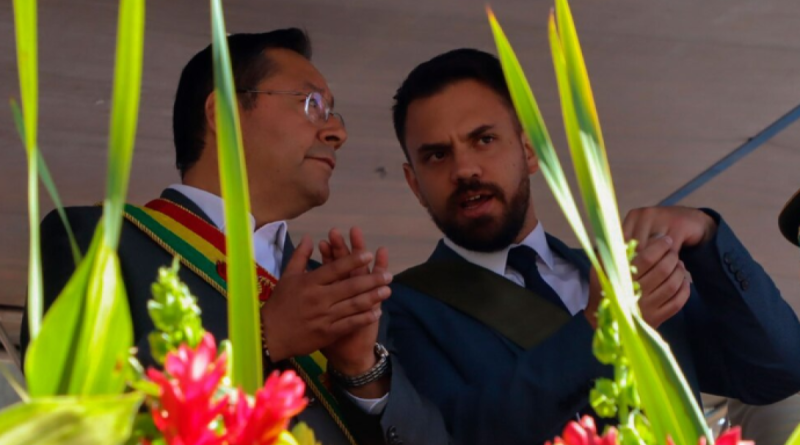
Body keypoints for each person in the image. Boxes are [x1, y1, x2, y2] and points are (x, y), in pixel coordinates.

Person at [20, 29, 446, 445]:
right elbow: (69, 422)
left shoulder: (341, 297)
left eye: (332, 112)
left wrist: (363, 374)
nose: (337, 132)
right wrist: (264, 337)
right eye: (312, 104)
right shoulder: (101, 243)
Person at [385, 48, 800, 445]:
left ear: (529, 150)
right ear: (414, 183)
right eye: (437, 156)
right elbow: (458, 432)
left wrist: (707, 234)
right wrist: (599, 331)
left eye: (484, 139)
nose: (464, 169)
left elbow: (780, 370)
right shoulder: (400, 310)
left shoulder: (628, 274)